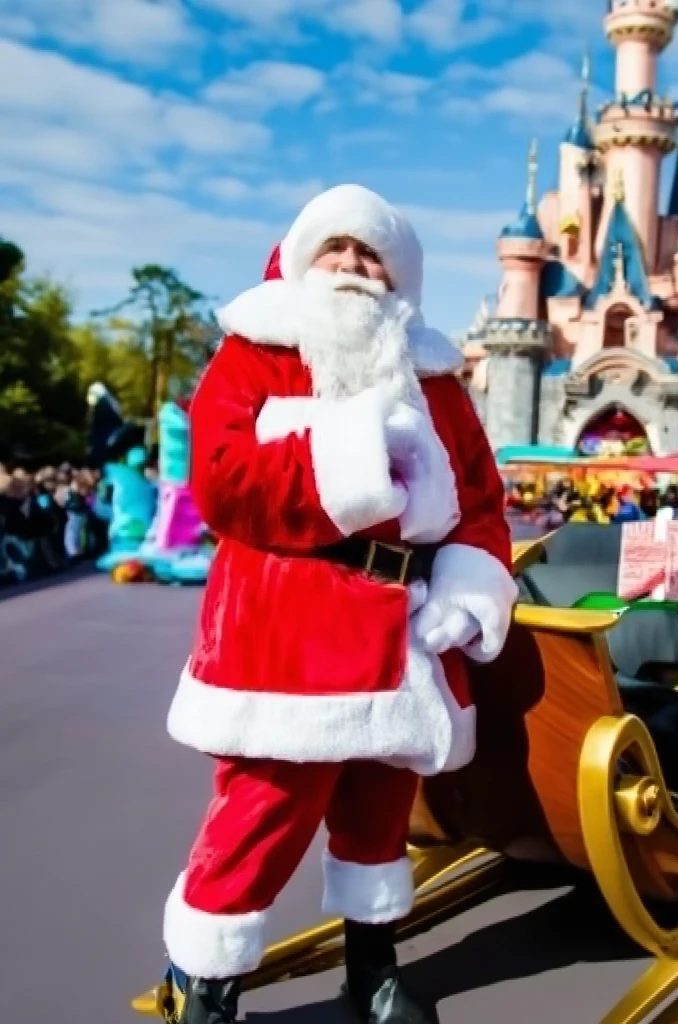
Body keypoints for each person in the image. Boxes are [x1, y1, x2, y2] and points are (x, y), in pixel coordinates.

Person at [160, 184, 517, 1024]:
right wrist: (355, 453)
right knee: (265, 810)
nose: (355, 268)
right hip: (286, 626)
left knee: (379, 807)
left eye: (373, 256)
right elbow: (222, 482)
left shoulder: (438, 380)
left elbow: (482, 500)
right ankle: (204, 980)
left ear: (400, 281)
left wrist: (467, 583)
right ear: (299, 260)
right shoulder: (252, 353)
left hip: (406, 626)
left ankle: (373, 965)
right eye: (338, 250)